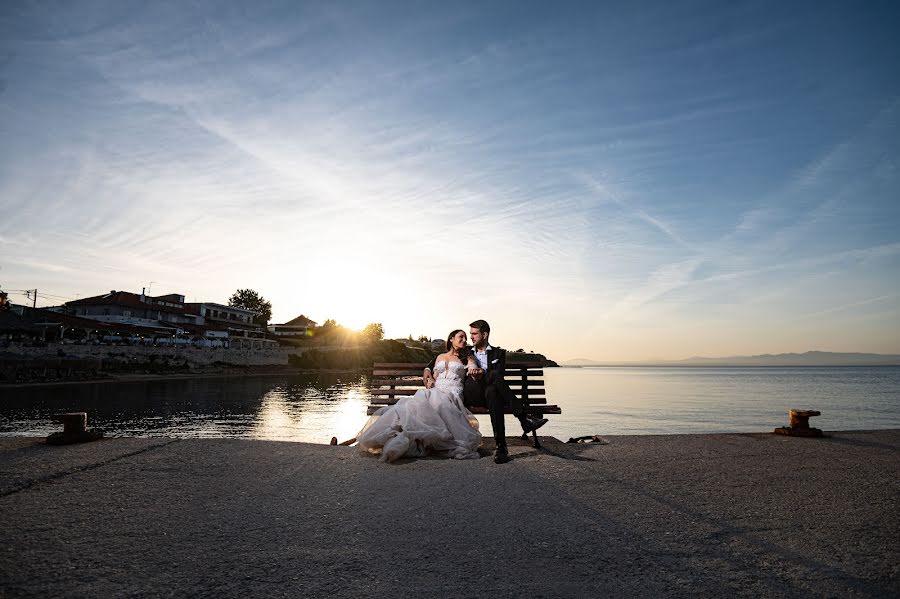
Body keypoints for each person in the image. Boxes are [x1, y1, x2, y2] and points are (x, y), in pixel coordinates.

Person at [425, 319, 547, 464]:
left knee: (493, 391)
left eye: (474, 334)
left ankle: (501, 448)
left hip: (490, 393)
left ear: (485, 334)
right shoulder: (466, 350)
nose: (470, 337)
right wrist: (427, 370)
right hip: (472, 393)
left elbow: (500, 375)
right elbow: (437, 361)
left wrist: (482, 372)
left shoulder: (498, 353)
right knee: (494, 377)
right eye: (470, 334)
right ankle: (523, 418)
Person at [357, 329, 482, 462]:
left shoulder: (467, 356)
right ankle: (404, 437)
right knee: (413, 404)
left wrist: (474, 369)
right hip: (436, 390)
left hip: (453, 392)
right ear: (451, 339)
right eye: (461, 337)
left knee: (437, 403)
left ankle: (415, 439)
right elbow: (434, 376)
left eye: (465, 338)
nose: (464, 340)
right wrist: (430, 381)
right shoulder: (439, 357)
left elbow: (473, 367)